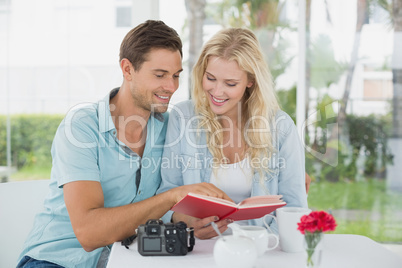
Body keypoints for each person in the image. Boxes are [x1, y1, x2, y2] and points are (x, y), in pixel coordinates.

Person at [16, 20, 231, 268]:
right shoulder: (82, 127)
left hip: (125, 259)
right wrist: (172, 197)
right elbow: (89, 233)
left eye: (175, 76)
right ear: (127, 69)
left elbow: (163, 209)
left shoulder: (170, 128)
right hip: (57, 260)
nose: (171, 87)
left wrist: (187, 220)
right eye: (160, 75)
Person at [157, 27, 308, 239]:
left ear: (250, 81)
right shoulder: (183, 116)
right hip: (198, 249)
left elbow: (295, 208)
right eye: (210, 78)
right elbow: (166, 195)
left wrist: (261, 244)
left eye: (230, 83)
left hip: (263, 248)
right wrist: (186, 221)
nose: (217, 92)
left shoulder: (280, 126)